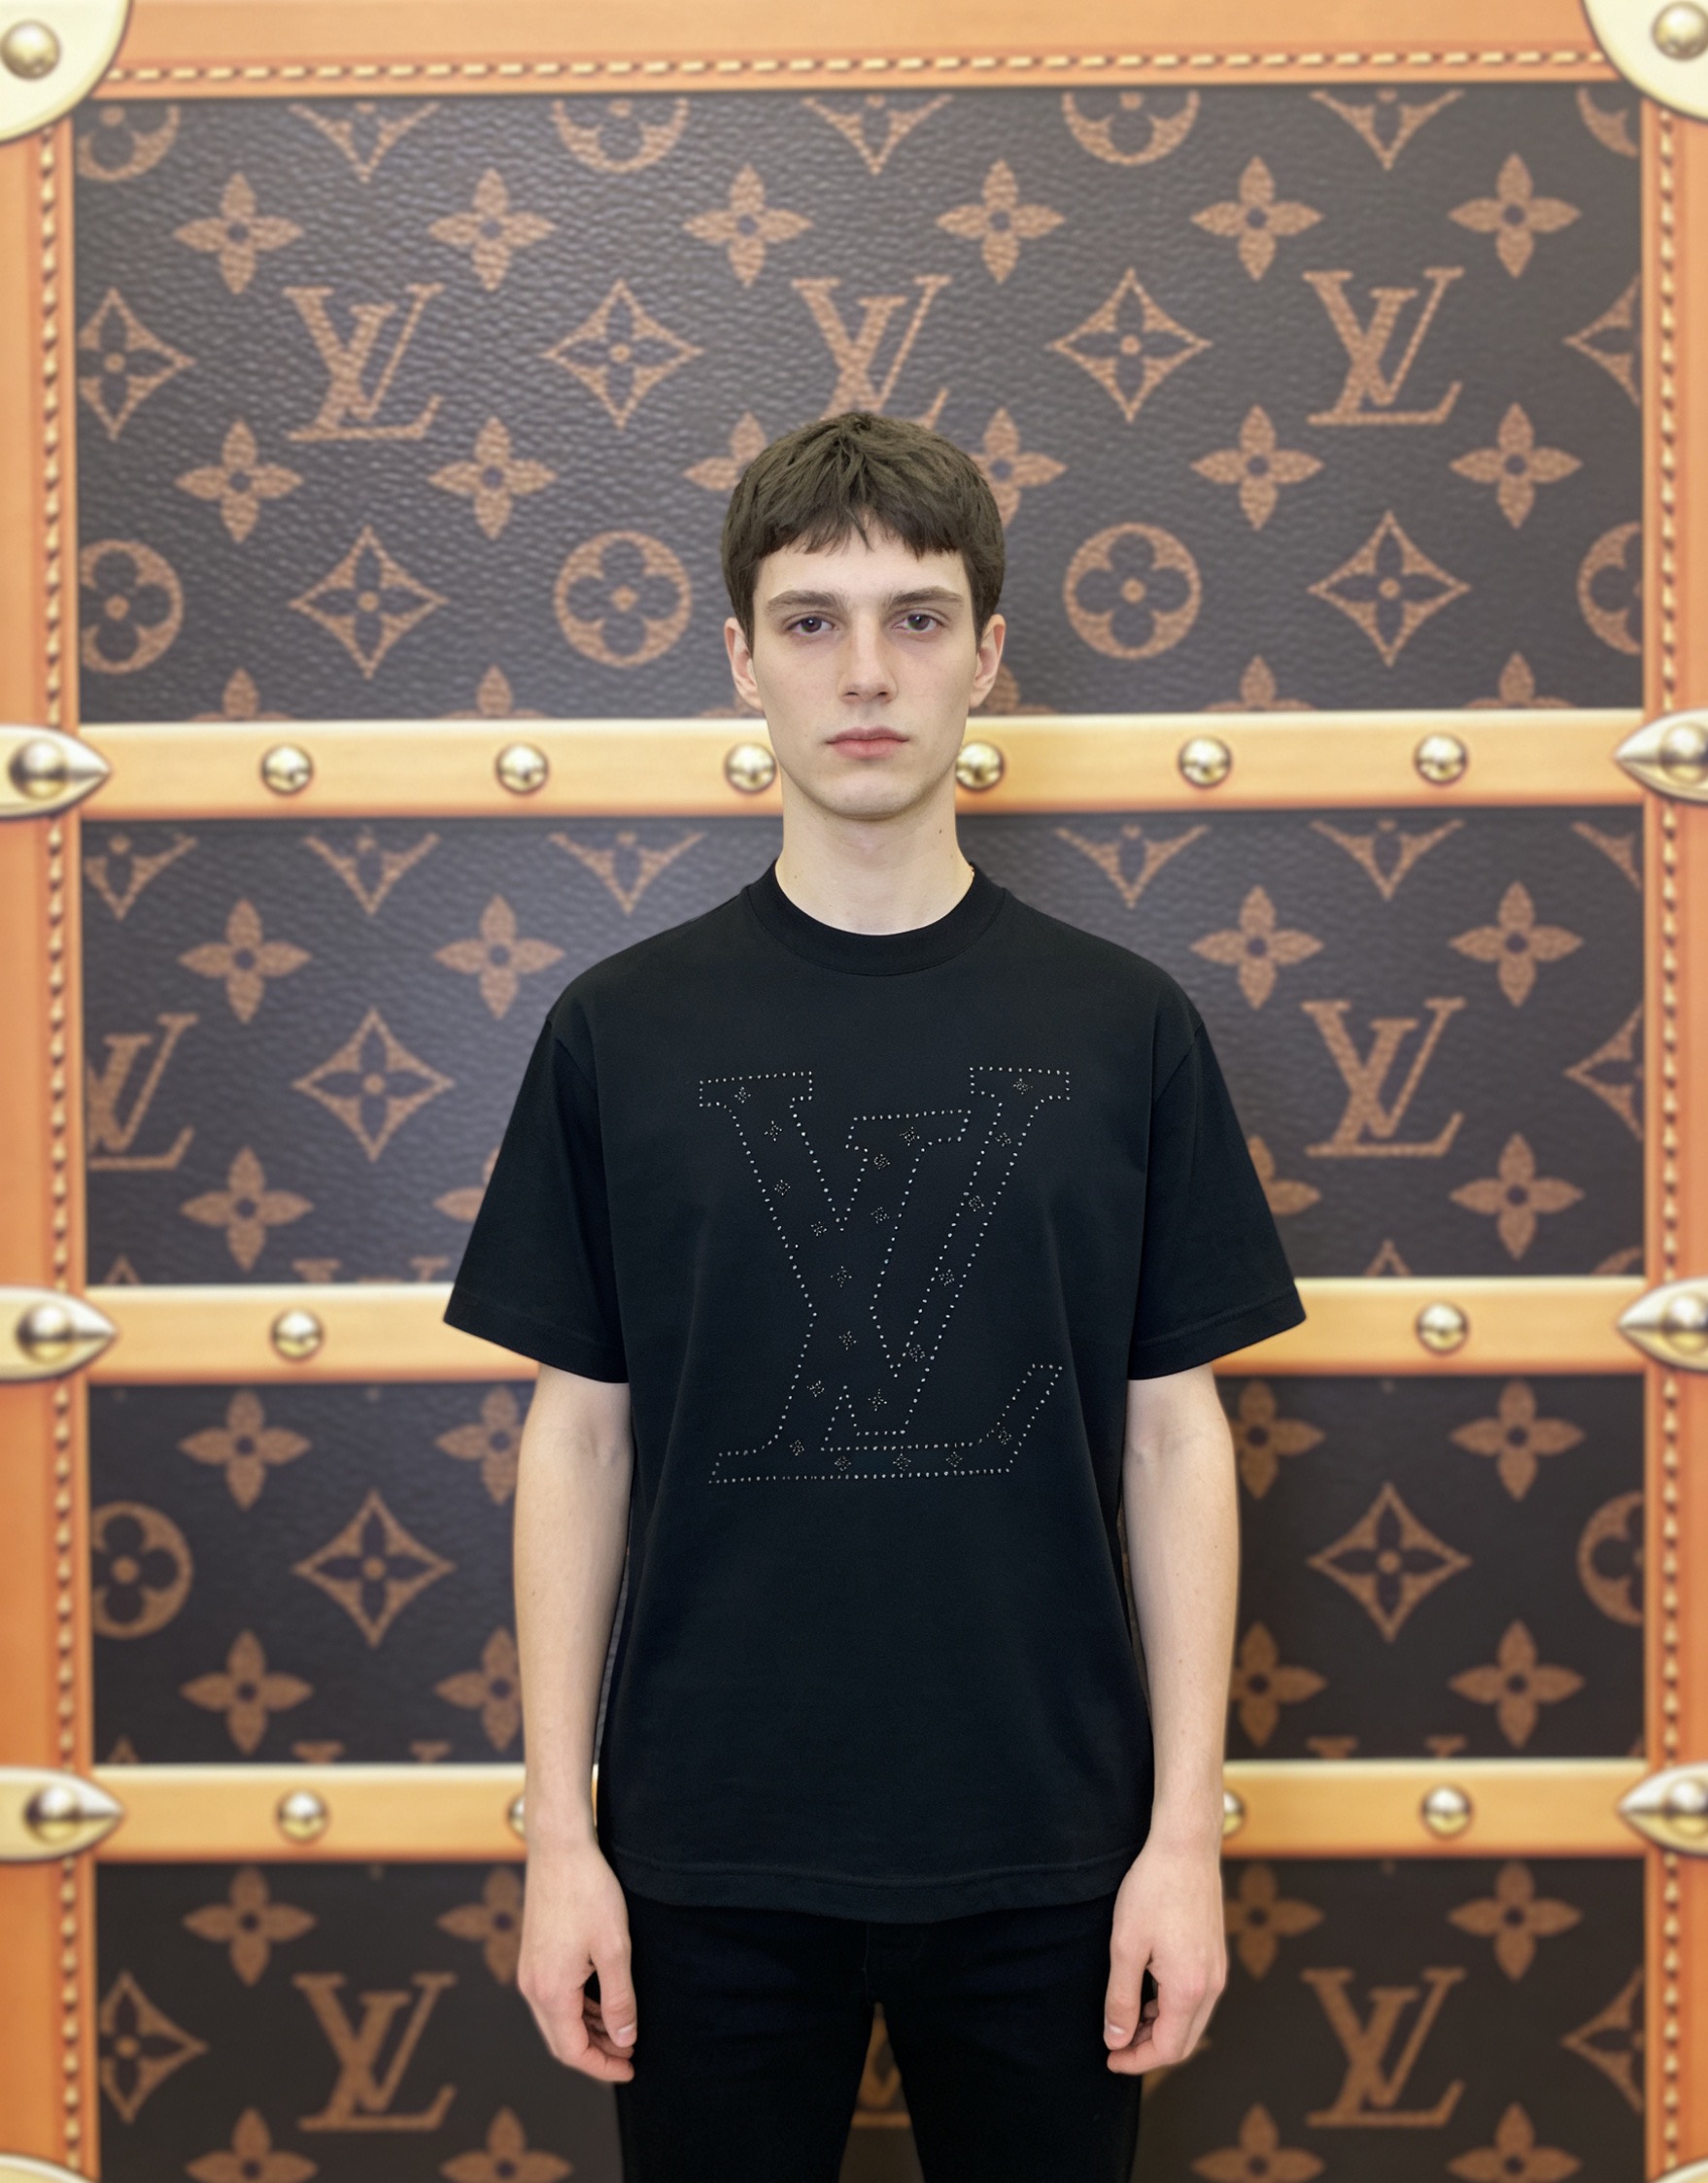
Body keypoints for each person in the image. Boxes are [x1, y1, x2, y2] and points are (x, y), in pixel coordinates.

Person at [442, 409, 1307, 2182]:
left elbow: (1171, 1439)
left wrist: (1182, 1841)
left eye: (915, 619)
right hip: (700, 1854)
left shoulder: (1125, 1026)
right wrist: (558, 1840)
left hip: (1058, 1852)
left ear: (985, 656)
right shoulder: (618, 1029)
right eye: (810, 620)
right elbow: (579, 1439)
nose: (864, 671)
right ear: (739, 658)